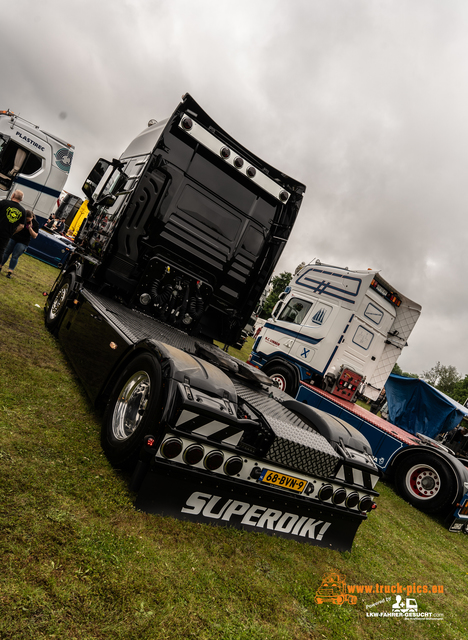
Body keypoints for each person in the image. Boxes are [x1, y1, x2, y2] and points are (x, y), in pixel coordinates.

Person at [0, 210, 38, 278]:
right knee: (6, 252)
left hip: (23, 241)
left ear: (32, 217)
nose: (26, 220)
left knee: (15, 255)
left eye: (28, 219)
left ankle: (10, 271)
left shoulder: (35, 224)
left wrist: (30, 228)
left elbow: (34, 236)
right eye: (25, 219)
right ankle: (0, 265)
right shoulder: (21, 218)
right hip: (14, 238)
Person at [0, 190, 26, 260]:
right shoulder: (22, 210)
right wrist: (12, 232)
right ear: (21, 199)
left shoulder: (4, 203)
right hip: (7, 234)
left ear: (13, 195)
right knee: (1, 251)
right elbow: (22, 226)